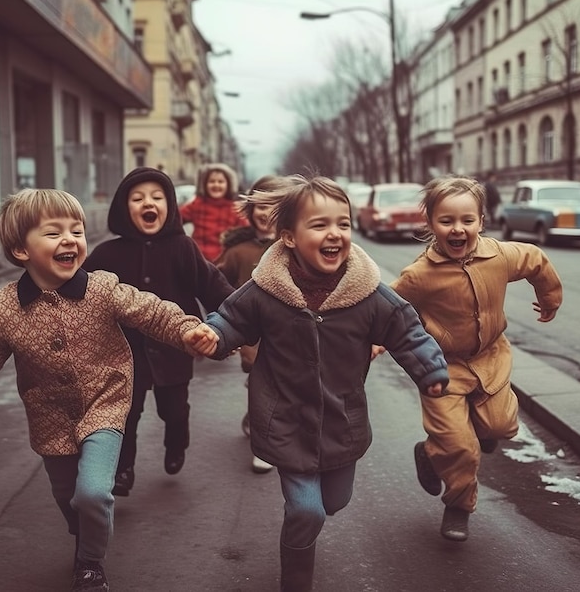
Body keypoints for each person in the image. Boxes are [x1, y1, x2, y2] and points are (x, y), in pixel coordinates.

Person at [187, 174, 449, 592]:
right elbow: (230, 319)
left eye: (343, 224)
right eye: (320, 225)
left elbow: (406, 329)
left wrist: (430, 370)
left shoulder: (367, 293)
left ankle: (306, 524)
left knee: (333, 502)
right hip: (284, 418)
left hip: (342, 420)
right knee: (306, 510)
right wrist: (212, 336)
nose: (335, 234)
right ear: (289, 237)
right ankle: (295, 577)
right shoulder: (266, 290)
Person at [0, 188, 216, 591]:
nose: (70, 240)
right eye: (54, 233)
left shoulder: (102, 289)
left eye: (77, 231)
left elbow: (151, 310)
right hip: (48, 417)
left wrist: (188, 329)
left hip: (106, 402)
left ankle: (90, 563)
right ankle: (84, 534)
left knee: (92, 494)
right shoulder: (4, 309)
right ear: (20, 250)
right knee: (68, 497)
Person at [390, 175, 562, 542]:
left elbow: (536, 259)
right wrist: (372, 343)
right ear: (431, 223)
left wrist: (550, 300)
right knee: (461, 448)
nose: (458, 229)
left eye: (467, 220)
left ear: (482, 221)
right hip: (441, 368)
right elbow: (389, 310)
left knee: (501, 428)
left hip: (490, 359)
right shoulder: (419, 275)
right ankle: (458, 506)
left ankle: (432, 451)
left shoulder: (499, 256)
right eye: (446, 220)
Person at [83, 167, 234, 496]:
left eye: (156, 197)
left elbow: (213, 288)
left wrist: (235, 324)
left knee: (173, 409)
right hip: (124, 353)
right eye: (137, 198)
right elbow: (78, 288)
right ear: (125, 209)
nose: (147, 203)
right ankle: (123, 470)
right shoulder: (109, 253)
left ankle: (177, 440)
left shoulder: (182, 247)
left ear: (169, 207)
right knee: (127, 414)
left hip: (174, 349)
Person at [214, 174, 287, 474]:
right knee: (263, 379)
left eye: (274, 207)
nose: (265, 213)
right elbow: (216, 283)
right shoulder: (238, 250)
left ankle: (266, 428)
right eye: (259, 206)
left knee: (280, 381)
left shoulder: (294, 246)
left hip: (288, 331)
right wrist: (223, 324)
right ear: (250, 210)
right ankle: (263, 434)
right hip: (252, 333)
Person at [179, 162, 249, 261]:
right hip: (199, 259)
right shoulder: (197, 205)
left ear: (228, 184)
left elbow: (247, 231)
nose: (216, 185)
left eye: (220, 182)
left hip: (225, 260)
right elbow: (175, 218)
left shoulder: (235, 209)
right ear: (204, 185)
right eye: (212, 181)